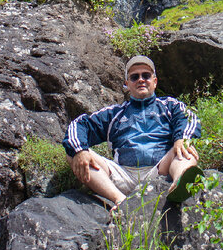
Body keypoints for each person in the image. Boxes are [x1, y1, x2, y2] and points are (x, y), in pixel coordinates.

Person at [62, 55, 203, 209]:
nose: (141, 80)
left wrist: (182, 138)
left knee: (185, 148)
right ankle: (120, 200)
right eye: (135, 77)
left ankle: (179, 183)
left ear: (155, 81)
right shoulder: (114, 113)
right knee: (74, 153)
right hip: (121, 175)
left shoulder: (170, 106)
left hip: (160, 170)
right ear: (127, 84)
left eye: (146, 75)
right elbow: (79, 125)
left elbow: (189, 119)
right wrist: (80, 150)